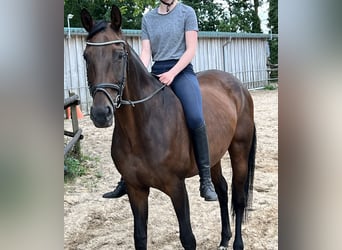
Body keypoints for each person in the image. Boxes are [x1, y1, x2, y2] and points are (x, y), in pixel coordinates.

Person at [103, 0, 218, 201]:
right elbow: (146, 52)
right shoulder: (148, 18)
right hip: (156, 73)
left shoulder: (186, 13)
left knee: (195, 116)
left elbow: (191, 50)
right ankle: (126, 177)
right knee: (132, 115)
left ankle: (206, 179)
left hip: (181, 72)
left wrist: (172, 73)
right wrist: (142, 73)